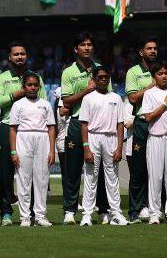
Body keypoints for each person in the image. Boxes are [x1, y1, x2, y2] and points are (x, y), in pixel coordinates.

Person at [0, 41, 45, 226]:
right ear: (10, 57)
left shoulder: (36, 78)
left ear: (27, 56)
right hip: (8, 126)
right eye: (16, 54)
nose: (19, 57)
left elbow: (44, 103)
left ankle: (31, 212)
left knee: (30, 173)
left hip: (31, 130)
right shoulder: (2, 78)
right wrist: (19, 93)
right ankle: (6, 213)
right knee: (6, 172)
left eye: (22, 54)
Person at [60, 32, 110, 225]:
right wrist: (87, 91)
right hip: (76, 122)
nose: (87, 48)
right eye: (83, 45)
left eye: (90, 44)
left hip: (98, 125)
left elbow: (108, 95)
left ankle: (103, 210)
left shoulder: (101, 70)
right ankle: (70, 211)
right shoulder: (69, 72)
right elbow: (66, 101)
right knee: (72, 170)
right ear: (76, 49)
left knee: (101, 171)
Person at [79, 66, 128, 226]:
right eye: (100, 77)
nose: (104, 79)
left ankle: (116, 213)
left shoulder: (116, 97)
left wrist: (120, 147)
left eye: (106, 77)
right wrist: (86, 147)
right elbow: (84, 124)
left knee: (112, 178)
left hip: (111, 138)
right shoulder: (88, 98)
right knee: (91, 177)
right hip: (93, 138)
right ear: (94, 79)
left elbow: (120, 124)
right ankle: (87, 214)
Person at [8, 71, 55, 227]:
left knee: (42, 179)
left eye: (35, 85)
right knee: (23, 179)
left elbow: (51, 128)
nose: (33, 87)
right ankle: (25, 217)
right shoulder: (18, 104)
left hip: (42, 139)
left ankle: (40, 216)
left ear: (39, 87)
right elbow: (13, 129)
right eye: (29, 85)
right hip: (23, 138)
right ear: (24, 86)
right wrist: (13, 151)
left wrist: (52, 150)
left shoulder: (45, 104)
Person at [140, 60, 167, 224]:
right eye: (160, 73)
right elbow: (148, 117)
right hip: (155, 138)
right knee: (155, 177)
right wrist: (165, 104)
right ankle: (155, 213)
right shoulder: (149, 94)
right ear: (154, 76)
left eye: (166, 73)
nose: (164, 76)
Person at [123, 36, 159, 222]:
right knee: (138, 168)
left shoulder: (163, 71)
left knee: (157, 168)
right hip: (142, 123)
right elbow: (133, 99)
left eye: (154, 48)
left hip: (160, 123)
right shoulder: (133, 72)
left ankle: (155, 208)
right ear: (141, 52)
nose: (152, 51)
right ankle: (136, 210)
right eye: (149, 48)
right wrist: (152, 87)